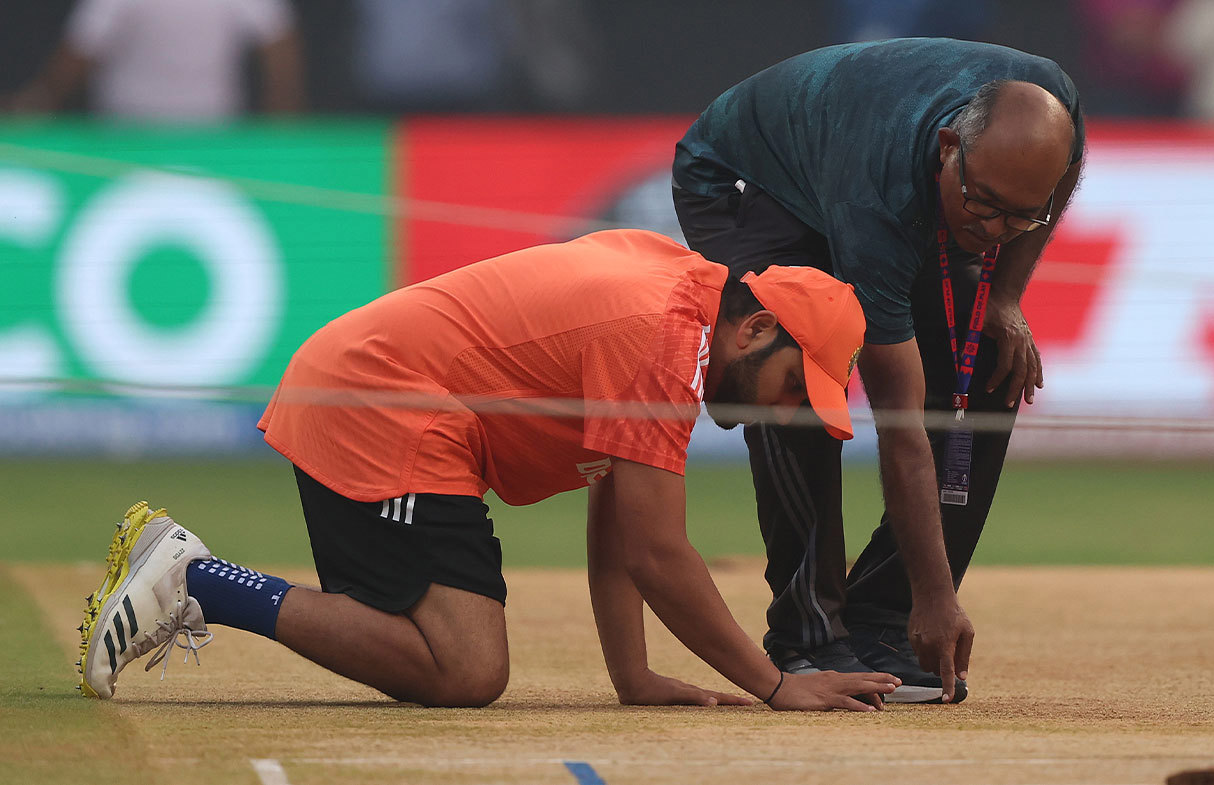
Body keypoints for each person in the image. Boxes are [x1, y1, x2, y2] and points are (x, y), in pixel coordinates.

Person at [75, 229, 901, 711]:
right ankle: (197, 579)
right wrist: (773, 685)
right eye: (796, 386)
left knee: (437, 655)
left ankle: (197, 578)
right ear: (756, 330)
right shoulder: (667, 336)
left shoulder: (682, 302)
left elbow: (618, 507)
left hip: (377, 401)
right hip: (379, 405)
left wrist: (632, 672)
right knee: (466, 668)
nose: (788, 411)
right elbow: (657, 551)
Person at [671, 38, 1085, 703]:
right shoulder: (881, 199)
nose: (996, 228)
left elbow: (1055, 186)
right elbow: (900, 425)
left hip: (865, 164)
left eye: (1019, 214)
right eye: (984, 205)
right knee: (786, 366)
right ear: (949, 147)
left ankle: (880, 618)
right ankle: (807, 634)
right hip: (749, 179)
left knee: (988, 360)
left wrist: (1004, 294)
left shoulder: (1052, 108)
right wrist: (939, 595)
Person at [7, 0, 303, 121]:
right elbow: (82, 50)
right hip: (129, 128)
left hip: (210, 132)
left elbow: (81, 52)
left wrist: (282, 117)